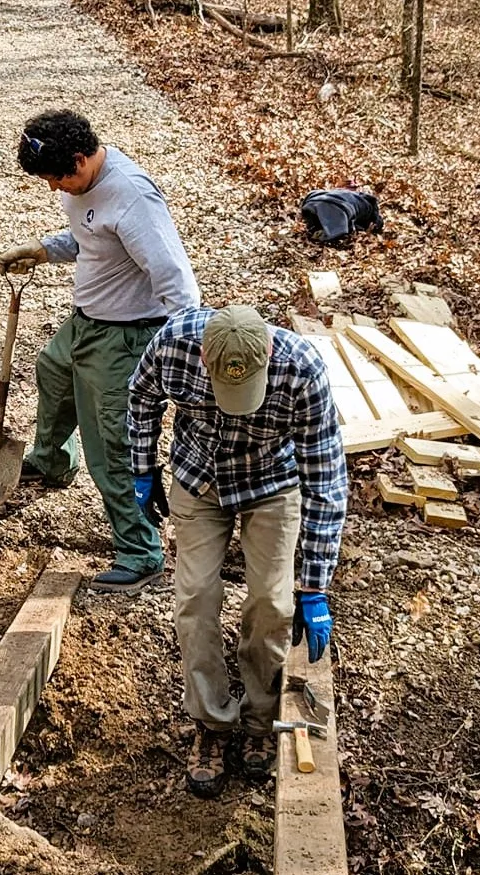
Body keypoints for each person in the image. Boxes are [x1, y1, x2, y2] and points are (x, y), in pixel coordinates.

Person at [126, 305, 345, 798]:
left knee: (272, 601)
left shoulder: (302, 370)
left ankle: (260, 719)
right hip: (198, 476)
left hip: (272, 481)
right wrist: (143, 467)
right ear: (204, 358)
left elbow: (326, 480)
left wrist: (314, 585)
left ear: (268, 356)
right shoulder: (174, 341)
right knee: (196, 596)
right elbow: (140, 395)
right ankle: (211, 722)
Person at [0, 109, 200, 594]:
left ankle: (141, 550)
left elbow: (176, 282)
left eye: (57, 178)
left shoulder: (133, 198)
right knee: (52, 369)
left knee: (111, 447)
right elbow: (92, 237)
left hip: (125, 338)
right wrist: (45, 249)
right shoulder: (83, 184)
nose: (53, 189)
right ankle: (51, 461)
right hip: (86, 322)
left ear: (83, 158)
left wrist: (186, 350)